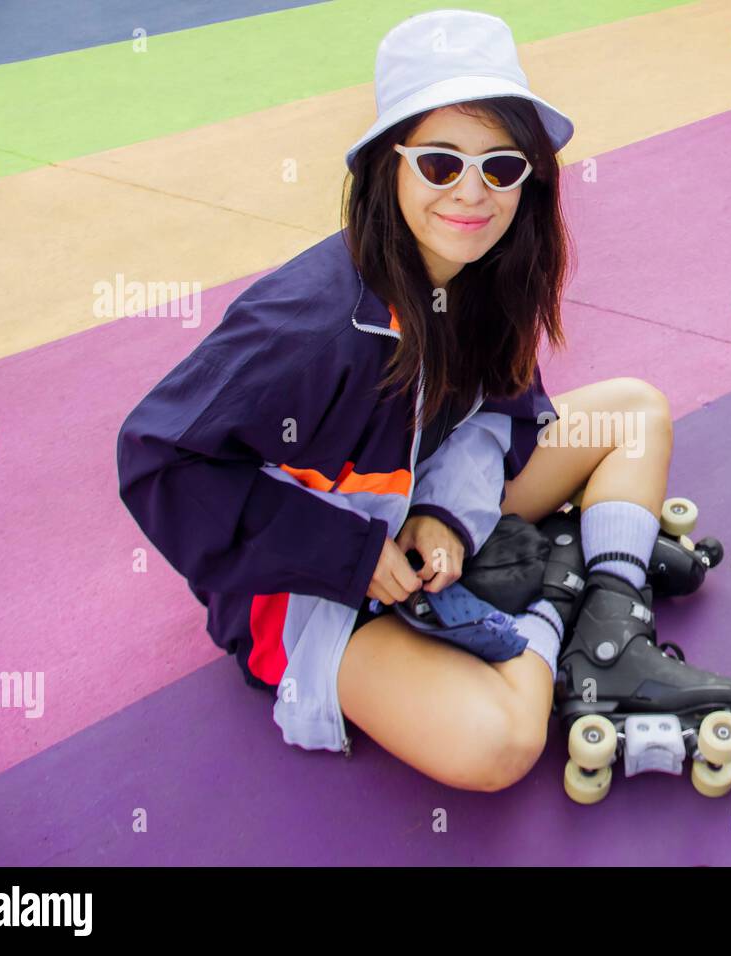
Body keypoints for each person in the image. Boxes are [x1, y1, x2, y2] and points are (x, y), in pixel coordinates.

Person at [116, 9, 679, 793]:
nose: (473, 195)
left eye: (502, 167)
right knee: (500, 746)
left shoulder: (483, 273)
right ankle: (555, 591)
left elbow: (499, 412)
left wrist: (445, 514)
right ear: (389, 165)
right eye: (442, 165)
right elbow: (158, 461)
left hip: (417, 508)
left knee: (636, 409)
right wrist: (346, 554)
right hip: (314, 588)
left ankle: (611, 626)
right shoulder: (308, 327)